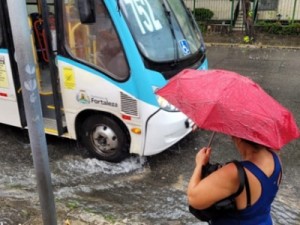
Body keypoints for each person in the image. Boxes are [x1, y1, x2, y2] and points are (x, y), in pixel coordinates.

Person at [187, 136, 282, 225]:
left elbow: (194, 199)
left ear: (238, 138)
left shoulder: (234, 172)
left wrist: (200, 164)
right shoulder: (275, 158)